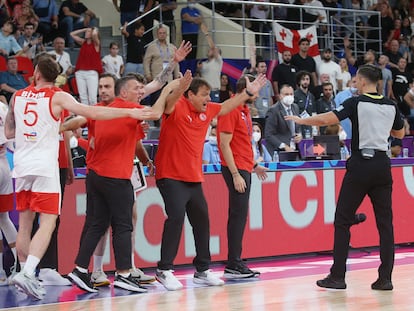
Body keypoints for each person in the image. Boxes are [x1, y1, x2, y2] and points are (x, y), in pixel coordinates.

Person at [4, 55, 158, 300]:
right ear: (57, 78)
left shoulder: (17, 96)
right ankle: (29, 272)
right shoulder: (59, 96)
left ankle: (23, 271)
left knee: (24, 223)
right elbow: (91, 111)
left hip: (21, 165)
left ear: (35, 73)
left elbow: (10, 131)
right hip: (44, 166)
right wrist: (128, 113)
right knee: (48, 222)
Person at [285, 64, 405, 291]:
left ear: (361, 81)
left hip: (361, 165)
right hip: (382, 165)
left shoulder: (356, 102)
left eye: (356, 80)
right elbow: (399, 132)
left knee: (342, 219)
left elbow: (326, 120)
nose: (355, 83)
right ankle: (385, 278)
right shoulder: (391, 105)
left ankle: (338, 276)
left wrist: (301, 121)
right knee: (385, 224)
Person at [154, 74, 267, 291]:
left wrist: (249, 92)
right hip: (170, 175)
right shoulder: (177, 107)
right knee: (176, 218)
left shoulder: (207, 112)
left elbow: (226, 105)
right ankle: (164, 269)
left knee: (202, 222)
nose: (208, 98)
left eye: (209, 95)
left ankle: (202, 270)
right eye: (204, 95)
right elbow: (167, 104)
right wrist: (178, 88)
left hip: (193, 177)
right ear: (190, 95)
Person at [217, 76, 268, 279]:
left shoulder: (244, 111)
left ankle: (234, 261)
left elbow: (240, 143)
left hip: (244, 167)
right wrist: (236, 174)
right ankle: (233, 264)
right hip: (235, 169)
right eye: (254, 89)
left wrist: (254, 165)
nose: (257, 94)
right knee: (237, 216)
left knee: (239, 216)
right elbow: (224, 144)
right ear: (244, 90)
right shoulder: (231, 109)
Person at [0, 101, 18, 285]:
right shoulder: (3, 107)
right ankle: (19, 265)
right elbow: (13, 142)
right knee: (4, 219)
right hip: (5, 163)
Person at [264, 84, 302, 155]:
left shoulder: (295, 107)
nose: (289, 96)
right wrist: (283, 146)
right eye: (286, 94)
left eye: (291, 94)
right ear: (280, 96)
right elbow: (268, 134)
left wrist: (299, 135)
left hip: (294, 149)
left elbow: (298, 127)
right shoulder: (273, 110)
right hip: (279, 151)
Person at [71, 27, 102, 105]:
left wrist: (94, 29)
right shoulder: (83, 42)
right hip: (80, 72)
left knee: (92, 98)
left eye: (89, 32)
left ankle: (93, 116)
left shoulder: (96, 44)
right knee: (83, 97)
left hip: (91, 72)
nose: (86, 33)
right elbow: (72, 34)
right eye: (86, 31)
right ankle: (85, 115)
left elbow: (95, 34)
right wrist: (84, 29)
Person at [197, 23, 223, 103]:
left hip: (214, 91)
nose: (210, 50)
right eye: (209, 50)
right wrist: (198, 68)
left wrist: (206, 33)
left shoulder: (218, 61)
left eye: (212, 50)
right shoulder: (204, 64)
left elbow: (213, 47)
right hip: (205, 91)